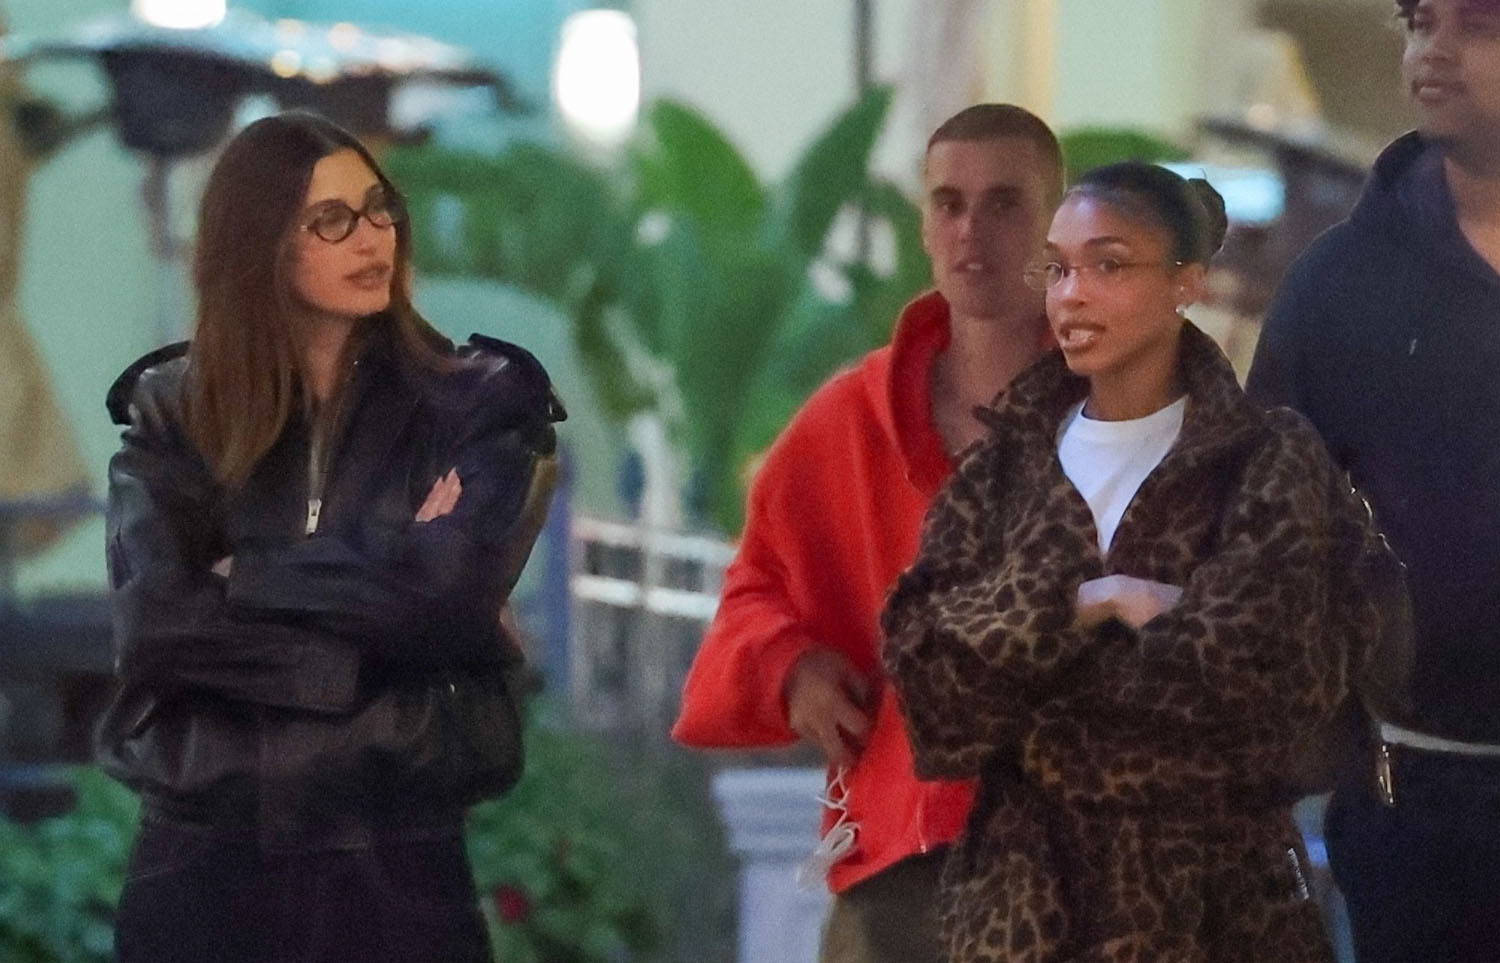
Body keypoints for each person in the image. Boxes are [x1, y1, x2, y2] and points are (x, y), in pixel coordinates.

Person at [882, 162, 1401, 963]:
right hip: (1024, 912)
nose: (1072, 295)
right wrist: (1086, 603)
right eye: (1058, 269)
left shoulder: (1264, 459)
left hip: (1220, 913)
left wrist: (1045, 669)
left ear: (1186, 282)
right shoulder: (1002, 470)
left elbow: (1280, 681)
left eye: (1109, 265)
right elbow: (932, 686)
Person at [95, 111, 565, 963]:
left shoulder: (477, 404)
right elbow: (156, 624)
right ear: (261, 243)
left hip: (396, 863)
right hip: (201, 864)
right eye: (332, 219)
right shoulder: (172, 413)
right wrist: (364, 630)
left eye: (380, 208)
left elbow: (445, 601)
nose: (371, 237)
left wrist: (244, 578)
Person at [671, 104, 1062, 963]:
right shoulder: (853, 417)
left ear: (1054, 224)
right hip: (899, 861)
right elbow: (754, 589)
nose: (972, 230)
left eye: (1004, 203)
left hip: (1087, 863)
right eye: (949, 203)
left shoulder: (1120, 411)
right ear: (924, 224)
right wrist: (791, 667)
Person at [1246, 1, 1500, 957]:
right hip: (1416, 816)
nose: (1433, 50)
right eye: (1420, 20)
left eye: (1476, 22)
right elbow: (1262, 545)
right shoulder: (1339, 287)